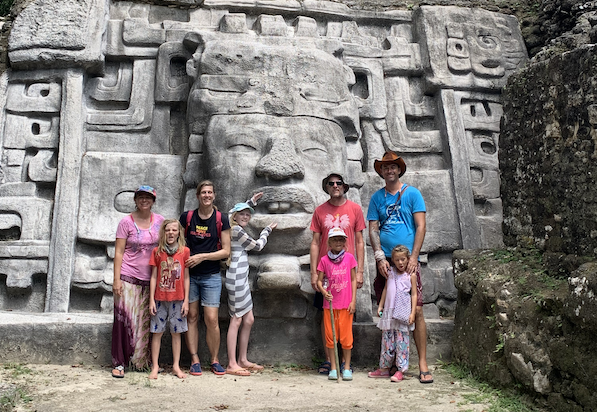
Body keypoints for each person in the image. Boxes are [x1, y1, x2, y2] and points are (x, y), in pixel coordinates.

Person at [367, 150, 433, 384]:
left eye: (393, 166)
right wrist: (379, 257)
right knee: (389, 311)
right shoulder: (377, 198)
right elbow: (373, 228)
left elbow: (421, 226)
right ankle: (393, 362)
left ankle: (422, 362)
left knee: (417, 309)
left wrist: (414, 256)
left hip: (407, 262)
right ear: (381, 172)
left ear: (399, 169)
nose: (389, 170)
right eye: (385, 167)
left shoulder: (412, 194)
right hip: (386, 261)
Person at [309, 172, 365, 375]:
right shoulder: (320, 211)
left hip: (346, 270)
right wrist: (314, 272)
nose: (335, 186)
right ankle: (329, 360)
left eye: (338, 183)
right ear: (326, 186)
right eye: (331, 183)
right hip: (326, 270)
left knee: (345, 317)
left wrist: (360, 271)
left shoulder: (355, 209)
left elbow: (359, 241)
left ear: (344, 185)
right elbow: (315, 242)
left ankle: (345, 362)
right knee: (326, 315)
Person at [111, 185, 165, 378]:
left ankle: (140, 361)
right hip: (127, 275)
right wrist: (116, 279)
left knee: (145, 320)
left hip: (150, 278)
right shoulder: (126, 222)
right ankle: (119, 362)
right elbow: (118, 252)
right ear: (135, 200)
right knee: (124, 320)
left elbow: (166, 246)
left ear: (153, 200)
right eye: (141, 197)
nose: (144, 201)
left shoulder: (160, 221)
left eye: (148, 198)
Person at [180, 180, 231, 376]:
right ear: (197, 196)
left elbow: (226, 251)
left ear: (214, 195)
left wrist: (202, 256)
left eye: (210, 192)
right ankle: (194, 360)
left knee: (211, 319)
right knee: (191, 316)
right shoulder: (187, 217)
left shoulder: (221, 219)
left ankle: (215, 359)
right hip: (189, 276)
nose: (207, 196)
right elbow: (178, 242)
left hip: (211, 275)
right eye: (203, 192)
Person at [225, 195, 277, 376]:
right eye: (242, 214)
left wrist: (250, 202)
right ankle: (232, 363)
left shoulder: (235, 226)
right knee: (236, 319)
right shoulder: (236, 231)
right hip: (236, 279)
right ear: (236, 216)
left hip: (241, 278)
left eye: (248, 215)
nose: (246, 217)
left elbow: (232, 212)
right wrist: (266, 231)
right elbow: (257, 246)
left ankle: (242, 359)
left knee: (248, 319)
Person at [148, 219, 191, 380]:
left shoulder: (184, 251)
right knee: (157, 332)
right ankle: (155, 366)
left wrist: (186, 300)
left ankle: (176, 366)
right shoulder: (157, 252)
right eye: (168, 230)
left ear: (179, 232)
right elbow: (153, 276)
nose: (171, 233)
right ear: (163, 233)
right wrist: (151, 299)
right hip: (160, 298)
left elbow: (186, 277)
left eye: (174, 230)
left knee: (176, 333)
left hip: (177, 299)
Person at [368, 245, 416, 382]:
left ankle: (401, 369)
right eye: (397, 260)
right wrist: (381, 306)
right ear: (393, 260)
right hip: (389, 313)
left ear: (407, 259)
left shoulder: (410, 276)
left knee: (402, 343)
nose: (400, 262)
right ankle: (384, 368)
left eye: (403, 259)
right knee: (387, 341)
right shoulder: (390, 274)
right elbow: (385, 290)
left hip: (403, 314)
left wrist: (412, 313)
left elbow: (414, 295)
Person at [316, 227, 357, 381]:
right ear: (329, 242)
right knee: (331, 337)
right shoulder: (324, 260)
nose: (338, 242)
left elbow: (353, 280)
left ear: (345, 242)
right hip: (330, 305)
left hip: (346, 304)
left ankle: (346, 367)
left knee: (346, 338)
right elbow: (319, 281)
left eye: (341, 239)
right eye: (335, 239)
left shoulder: (349, 258)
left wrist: (353, 300)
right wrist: (323, 292)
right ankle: (333, 367)